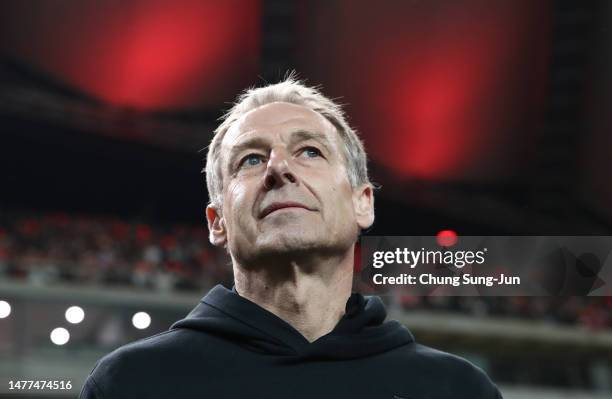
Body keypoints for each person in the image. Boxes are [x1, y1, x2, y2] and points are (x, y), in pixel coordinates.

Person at [80, 75, 503, 399]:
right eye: (251, 158)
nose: (278, 168)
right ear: (217, 221)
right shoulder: (131, 384)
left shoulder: (457, 390)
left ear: (364, 203)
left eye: (310, 152)